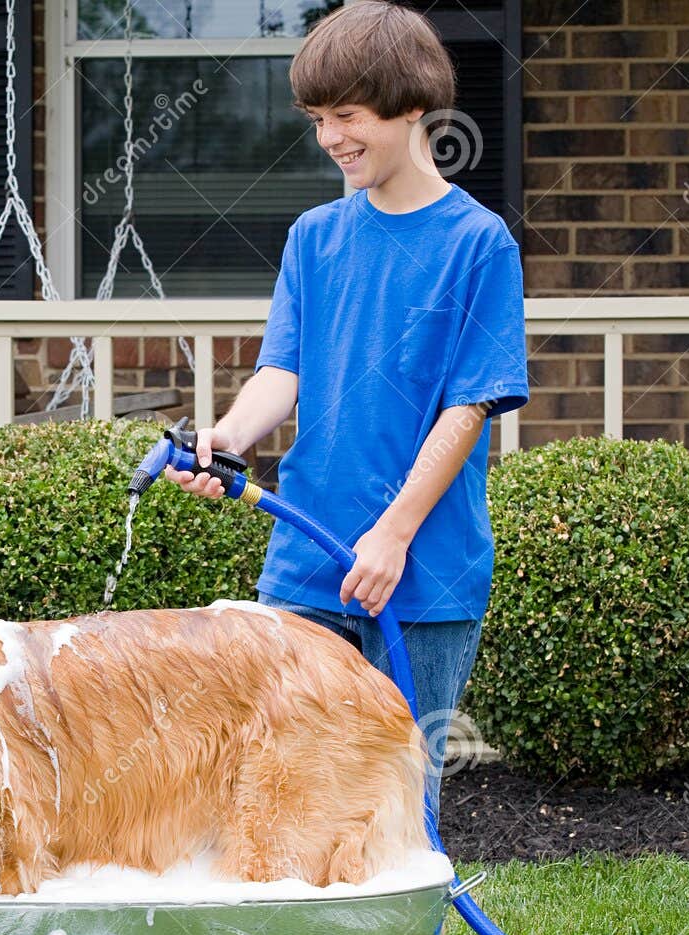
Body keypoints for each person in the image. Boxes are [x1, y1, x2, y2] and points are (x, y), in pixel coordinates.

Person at [165, 1, 529, 819]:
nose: (330, 137)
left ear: (412, 106)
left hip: (424, 567)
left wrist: (394, 534)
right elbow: (282, 371)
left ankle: (406, 910)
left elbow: (467, 409)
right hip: (308, 555)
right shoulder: (315, 237)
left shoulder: (478, 244)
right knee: (285, 781)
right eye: (317, 119)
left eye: (348, 116)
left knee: (396, 792)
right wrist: (227, 436)